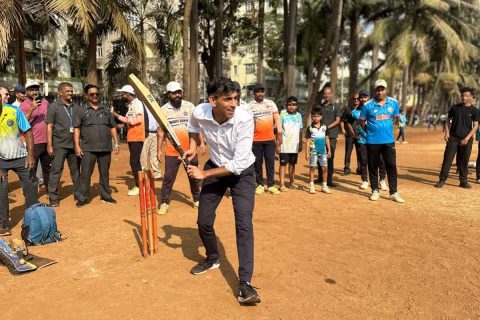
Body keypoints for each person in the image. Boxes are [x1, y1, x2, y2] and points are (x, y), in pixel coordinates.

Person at [184, 77, 260, 304]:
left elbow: (237, 164)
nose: (234, 104)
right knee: (203, 221)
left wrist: (204, 174)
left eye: (236, 99)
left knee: (243, 225)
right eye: (228, 99)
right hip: (216, 165)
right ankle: (213, 257)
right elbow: (192, 127)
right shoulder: (200, 111)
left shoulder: (244, 119)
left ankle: (245, 283)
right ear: (212, 100)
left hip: (242, 173)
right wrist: (192, 147)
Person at [157, 81, 202, 215]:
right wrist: (159, 149)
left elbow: (197, 126)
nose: (177, 95)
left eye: (178, 92)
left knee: (193, 176)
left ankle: (197, 199)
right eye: (173, 93)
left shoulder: (189, 106)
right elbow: (161, 131)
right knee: (168, 178)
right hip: (172, 151)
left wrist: (202, 143)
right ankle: (164, 202)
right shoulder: (163, 110)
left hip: (189, 150)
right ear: (168, 94)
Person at [0, 85, 39, 236]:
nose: (3, 97)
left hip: (20, 156)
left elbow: (28, 131)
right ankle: (3, 224)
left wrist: (30, 155)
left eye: (2, 96)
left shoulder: (14, 111)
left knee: (30, 189)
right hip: (0, 160)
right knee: (1, 192)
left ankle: (33, 221)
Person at [73, 84, 120, 207]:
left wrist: (116, 143)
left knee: (104, 173)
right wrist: (77, 146)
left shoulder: (105, 109)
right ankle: (82, 198)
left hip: (105, 148)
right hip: (88, 148)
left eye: (97, 94)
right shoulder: (81, 110)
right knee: (85, 174)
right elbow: (77, 128)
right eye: (91, 94)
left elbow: (113, 127)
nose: (95, 96)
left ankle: (106, 196)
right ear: (86, 96)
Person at [359, 79, 405, 203]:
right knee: (373, 166)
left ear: (386, 89)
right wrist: (370, 131)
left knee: (391, 166)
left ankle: (394, 192)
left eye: (382, 89)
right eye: (378, 89)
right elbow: (362, 121)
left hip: (388, 141)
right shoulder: (367, 105)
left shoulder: (394, 103)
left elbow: (395, 118)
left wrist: (387, 128)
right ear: (375, 91)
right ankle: (374, 190)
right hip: (372, 141)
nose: (380, 92)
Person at [45, 82, 81, 207]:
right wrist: (49, 145)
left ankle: (78, 194)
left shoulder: (76, 107)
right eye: (67, 91)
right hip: (59, 144)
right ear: (60, 92)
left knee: (75, 171)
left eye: (71, 91)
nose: (70, 93)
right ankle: (53, 198)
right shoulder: (53, 106)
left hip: (74, 145)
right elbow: (49, 126)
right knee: (56, 170)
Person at [435, 87, 479, 189]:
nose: (464, 97)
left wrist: (467, 138)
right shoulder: (455, 108)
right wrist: (447, 133)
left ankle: (463, 181)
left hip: (467, 139)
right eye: (462, 95)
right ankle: (442, 180)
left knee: (464, 160)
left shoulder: (475, 110)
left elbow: (476, 125)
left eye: (466, 96)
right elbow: (447, 120)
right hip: (453, 138)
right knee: (448, 159)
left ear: (471, 97)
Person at [248, 83, 282, 195]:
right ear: (254, 93)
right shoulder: (250, 106)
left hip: (269, 139)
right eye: (258, 91)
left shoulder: (270, 103)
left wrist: (279, 135)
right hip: (256, 140)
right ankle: (260, 185)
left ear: (264, 92)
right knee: (257, 163)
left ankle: (271, 185)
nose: (260, 93)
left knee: (270, 162)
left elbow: (277, 119)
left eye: (262, 91)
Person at [111, 85, 145, 196]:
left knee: (134, 162)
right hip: (132, 137)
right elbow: (126, 119)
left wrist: (129, 122)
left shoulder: (137, 103)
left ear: (128, 94)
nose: (122, 95)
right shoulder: (131, 105)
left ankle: (139, 186)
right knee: (135, 162)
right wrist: (115, 114)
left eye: (123, 93)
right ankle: (141, 184)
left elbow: (139, 119)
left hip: (137, 136)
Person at [19, 80, 51, 191]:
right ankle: (31, 193)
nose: (35, 92)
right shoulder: (23, 106)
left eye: (36, 89)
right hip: (34, 142)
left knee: (48, 168)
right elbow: (22, 124)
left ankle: (49, 191)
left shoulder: (45, 102)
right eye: (32, 90)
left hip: (47, 141)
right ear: (26, 91)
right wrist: (31, 108)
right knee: (31, 168)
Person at [317, 86, 341, 187]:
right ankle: (320, 177)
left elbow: (338, 120)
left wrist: (326, 127)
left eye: (328, 93)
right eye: (325, 93)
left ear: (331, 94)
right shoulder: (320, 106)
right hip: (319, 135)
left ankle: (329, 179)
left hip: (331, 136)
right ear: (323, 94)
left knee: (329, 157)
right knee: (319, 156)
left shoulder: (336, 106)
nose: (326, 95)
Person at [278, 96, 302, 191]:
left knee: (292, 164)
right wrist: (278, 143)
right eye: (289, 105)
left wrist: (300, 143)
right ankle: (281, 184)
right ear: (286, 105)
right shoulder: (282, 115)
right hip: (284, 145)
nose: (291, 107)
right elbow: (279, 130)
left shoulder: (299, 115)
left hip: (294, 145)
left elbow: (300, 130)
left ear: (296, 106)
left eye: (294, 105)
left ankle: (292, 182)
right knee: (283, 164)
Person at [305, 108, 332, 194]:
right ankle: (311, 186)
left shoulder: (324, 127)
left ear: (321, 117)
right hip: (313, 151)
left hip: (323, 151)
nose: (316, 118)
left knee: (325, 168)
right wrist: (306, 153)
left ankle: (324, 186)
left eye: (318, 116)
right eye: (314, 116)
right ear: (312, 117)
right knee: (312, 168)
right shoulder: (309, 128)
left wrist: (329, 150)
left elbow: (327, 138)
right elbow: (308, 140)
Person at [140, 104, 162, 180]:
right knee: (144, 154)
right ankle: (144, 173)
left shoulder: (154, 107)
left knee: (154, 154)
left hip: (154, 133)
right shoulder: (141, 106)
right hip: (145, 133)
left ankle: (156, 173)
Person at [341, 94, 359, 176]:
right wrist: (343, 130)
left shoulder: (364, 109)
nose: (356, 100)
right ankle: (346, 169)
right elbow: (342, 120)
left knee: (360, 153)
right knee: (348, 152)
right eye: (354, 99)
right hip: (349, 135)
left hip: (360, 135)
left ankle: (360, 169)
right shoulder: (348, 109)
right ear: (352, 100)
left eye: (357, 99)